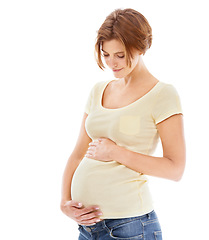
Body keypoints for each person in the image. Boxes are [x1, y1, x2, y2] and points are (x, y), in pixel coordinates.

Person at [60, 8, 186, 240]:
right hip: (88, 228)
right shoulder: (98, 91)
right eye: (106, 54)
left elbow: (175, 169)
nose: (112, 63)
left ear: (140, 47)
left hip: (130, 226)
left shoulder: (163, 95)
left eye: (120, 55)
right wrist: (65, 201)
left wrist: (116, 152)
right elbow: (78, 153)